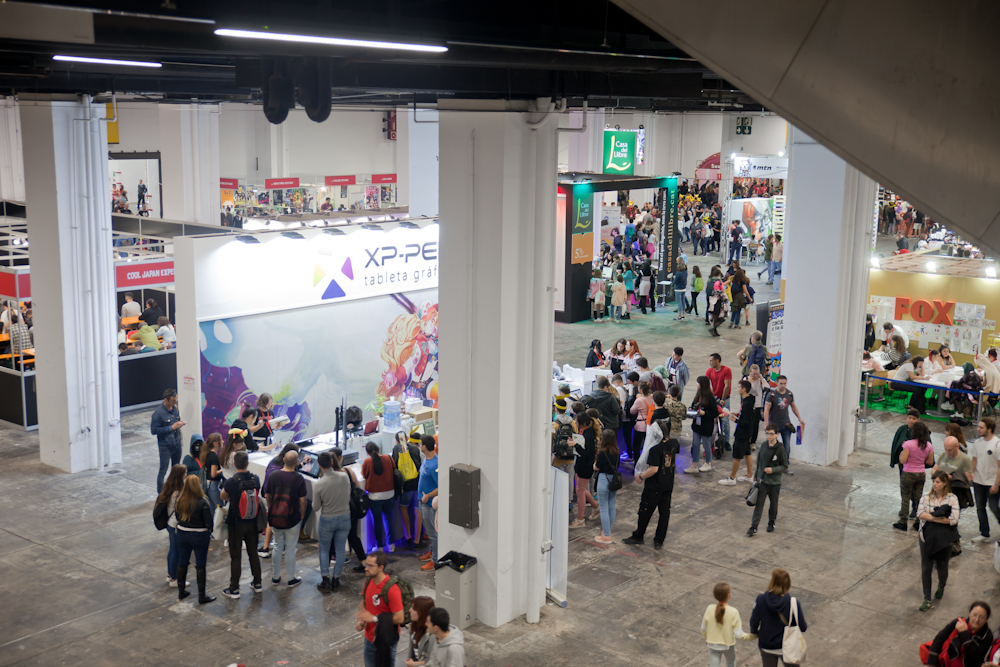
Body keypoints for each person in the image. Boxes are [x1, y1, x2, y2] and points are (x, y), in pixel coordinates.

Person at [623, 419, 679, 548]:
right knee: (664, 513)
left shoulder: (655, 449)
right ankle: (659, 540)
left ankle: (639, 535)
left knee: (645, 511)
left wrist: (640, 477)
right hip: (668, 484)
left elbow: (654, 469)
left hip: (654, 486)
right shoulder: (674, 443)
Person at [219, 451, 263, 599]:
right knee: (253, 553)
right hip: (253, 522)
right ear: (247, 464)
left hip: (236, 523)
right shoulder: (255, 479)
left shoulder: (231, 482)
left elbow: (222, 495)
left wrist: (233, 499)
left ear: (234, 464)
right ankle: (257, 583)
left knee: (236, 556)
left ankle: (234, 589)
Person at [916, 471, 961, 611]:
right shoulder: (926, 497)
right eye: (933, 481)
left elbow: (954, 520)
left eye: (938, 482)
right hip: (926, 538)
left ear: (945, 483)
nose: (935, 484)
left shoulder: (952, 499)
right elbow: (920, 514)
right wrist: (940, 518)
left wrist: (931, 518)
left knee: (942, 568)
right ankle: (927, 599)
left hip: (944, 540)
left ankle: (941, 586)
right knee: (926, 568)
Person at [262, 449, 307, 588]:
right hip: (292, 518)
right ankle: (291, 578)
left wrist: (272, 507)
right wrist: (302, 514)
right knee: (291, 548)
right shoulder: (299, 478)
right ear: (297, 462)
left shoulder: (273, 475)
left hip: (275, 517)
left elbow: (267, 495)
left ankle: (275, 577)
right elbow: (303, 500)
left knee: (277, 546)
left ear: (283, 460)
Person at [355, 551, 405, 667]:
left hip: (387, 639)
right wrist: (361, 621)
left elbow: (400, 618)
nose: (366, 568)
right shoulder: (368, 580)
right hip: (369, 638)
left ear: (381, 567)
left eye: (370, 565)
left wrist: (373, 618)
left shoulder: (392, 590)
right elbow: (364, 601)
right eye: (366, 564)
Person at [749, 568, 807, 667]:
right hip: (787, 647)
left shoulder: (760, 599)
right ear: (788, 584)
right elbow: (803, 627)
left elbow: (754, 621)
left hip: (766, 645)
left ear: (772, 582)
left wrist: (754, 632)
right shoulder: (793, 603)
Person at [174, 475, 216, 604]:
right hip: (199, 535)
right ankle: (202, 596)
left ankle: (181, 592)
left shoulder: (179, 500)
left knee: (182, 562)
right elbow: (209, 523)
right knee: (200, 565)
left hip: (182, 533)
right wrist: (209, 531)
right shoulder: (203, 502)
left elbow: (177, 517)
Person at [314, 451, 352, 592]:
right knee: (340, 548)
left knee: (324, 548)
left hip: (327, 519)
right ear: (331, 462)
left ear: (319, 465)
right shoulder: (344, 476)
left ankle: (325, 579)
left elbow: (316, 507)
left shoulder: (319, 484)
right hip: (345, 517)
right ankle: (336, 579)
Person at [893, 421, 935, 531]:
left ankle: (903, 522)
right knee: (918, 498)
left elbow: (903, 460)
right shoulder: (928, 445)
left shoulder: (908, 444)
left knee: (905, 498)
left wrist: (902, 452)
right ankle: (918, 522)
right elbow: (930, 462)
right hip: (920, 474)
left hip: (908, 473)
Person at [701, 582, 754, 667]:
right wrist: (753, 636)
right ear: (728, 595)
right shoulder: (733, 612)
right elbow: (739, 634)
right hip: (728, 645)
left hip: (712, 644)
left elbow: (703, 628)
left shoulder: (709, 608)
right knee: (730, 663)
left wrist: (706, 638)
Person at [747, 425, 788, 536]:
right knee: (759, 504)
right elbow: (759, 463)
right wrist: (756, 477)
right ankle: (754, 526)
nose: (769, 436)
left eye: (771, 434)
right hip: (763, 481)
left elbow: (785, 466)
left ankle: (771, 522)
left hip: (775, 483)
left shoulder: (780, 449)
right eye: (767, 433)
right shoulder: (764, 445)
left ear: (776, 434)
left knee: (773, 504)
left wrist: (773, 470)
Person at [925, 602, 994, 664]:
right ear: (969, 614)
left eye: (981, 617)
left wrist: (964, 633)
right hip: (946, 661)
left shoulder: (987, 636)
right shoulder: (958, 622)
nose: (976, 619)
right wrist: (932, 663)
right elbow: (939, 639)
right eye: (974, 615)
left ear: (986, 620)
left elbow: (977, 657)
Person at [761, 375, 804, 474]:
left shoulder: (789, 394)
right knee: (771, 446)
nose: (783, 385)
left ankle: (784, 466)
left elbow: (793, 406)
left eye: (785, 383)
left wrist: (799, 418)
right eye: (781, 383)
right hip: (774, 425)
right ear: (777, 383)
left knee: (787, 447)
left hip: (786, 424)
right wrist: (766, 424)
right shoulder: (771, 394)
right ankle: (769, 465)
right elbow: (766, 410)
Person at [156, 464, 187, 588]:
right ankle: (174, 579)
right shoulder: (178, 493)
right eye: (185, 473)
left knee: (172, 550)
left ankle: (170, 575)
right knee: (176, 551)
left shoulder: (168, 488)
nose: (186, 474)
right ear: (180, 475)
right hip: (176, 525)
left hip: (170, 523)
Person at [969, 418, 1000, 544]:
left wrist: (997, 483)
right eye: (978, 426)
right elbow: (974, 460)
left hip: (992, 482)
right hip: (978, 481)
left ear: (989, 429)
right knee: (980, 508)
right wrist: (971, 472)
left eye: (981, 427)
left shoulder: (997, 444)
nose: (978, 429)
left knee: (994, 507)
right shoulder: (977, 442)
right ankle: (984, 533)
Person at [721, 380, 757, 485]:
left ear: (744, 389)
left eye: (739, 387)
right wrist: (738, 414)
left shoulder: (747, 404)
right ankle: (749, 475)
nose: (737, 389)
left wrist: (734, 419)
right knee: (747, 453)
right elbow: (747, 416)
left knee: (737, 455)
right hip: (747, 433)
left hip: (742, 433)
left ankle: (732, 478)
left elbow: (745, 422)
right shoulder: (749, 400)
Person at [570, 410, 601, 529]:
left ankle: (580, 519)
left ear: (582, 423)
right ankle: (596, 507)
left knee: (580, 491)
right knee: (580, 489)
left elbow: (587, 453)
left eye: (577, 421)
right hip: (580, 464)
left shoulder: (589, 435)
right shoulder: (584, 432)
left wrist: (575, 445)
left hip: (585, 466)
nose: (575, 423)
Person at [151, 388, 185, 493]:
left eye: (176, 400)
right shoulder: (158, 414)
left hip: (177, 443)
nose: (175, 402)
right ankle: (161, 494)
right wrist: (172, 427)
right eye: (173, 400)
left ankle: (176, 490)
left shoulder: (175, 409)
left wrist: (180, 423)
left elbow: (176, 420)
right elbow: (154, 430)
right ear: (166, 399)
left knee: (176, 469)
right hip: (165, 446)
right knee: (163, 470)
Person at [393, 431, 423, 547]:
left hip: (404, 486)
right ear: (407, 438)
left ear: (397, 441)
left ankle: (408, 536)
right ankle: (417, 540)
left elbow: (394, 466)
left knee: (403, 508)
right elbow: (419, 464)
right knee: (418, 511)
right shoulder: (415, 449)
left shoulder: (396, 449)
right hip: (417, 484)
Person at [686, 377, 719, 474]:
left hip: (706, 426)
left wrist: (705, 413)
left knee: (706, 445)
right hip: (697, 425)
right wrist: (691, 410)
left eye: (698, 382)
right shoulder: (698, 395)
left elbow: (715, 412)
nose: (696, 384)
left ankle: (708, 463)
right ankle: (694, 465)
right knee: (695, 445)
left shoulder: (710, 397)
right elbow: (694, 405)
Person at [418, 435, 439, 570]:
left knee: (433, 533)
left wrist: (428, 496)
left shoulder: (435, 464)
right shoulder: (427, 459)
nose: (420, 446)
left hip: (429, 504)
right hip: (423, 501)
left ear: (424, 447)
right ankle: (431, 551)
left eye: (420, 444)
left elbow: (441, 486)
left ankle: (435, 560)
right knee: (429, 530)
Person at [400, 596, 437, 667]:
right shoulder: (413, 626)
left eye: (413, 608)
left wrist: (413, 664)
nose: (409, 610)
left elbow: (433, 661)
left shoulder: (433, 635)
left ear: (421, 612)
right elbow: (411, 653)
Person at [707, 353, 733, 448]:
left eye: (711, 360)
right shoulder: (709, 371)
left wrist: (723, 399)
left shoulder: (726, 370)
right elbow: (707, 384)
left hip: (725, 398)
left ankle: (727, 441)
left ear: (717, 360)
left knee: (725, 421)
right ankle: (715, 440)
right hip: (714, 398)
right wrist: (711, 396)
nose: (709, 362)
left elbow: (727, 385)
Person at [628, 381, 653, 462]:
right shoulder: (653, 397)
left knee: (636, 446)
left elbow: (632, 411)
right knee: (649, 445)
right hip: (651, 425)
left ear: (641, 390)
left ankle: (637, 463)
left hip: (641, 425)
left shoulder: (639, 400)